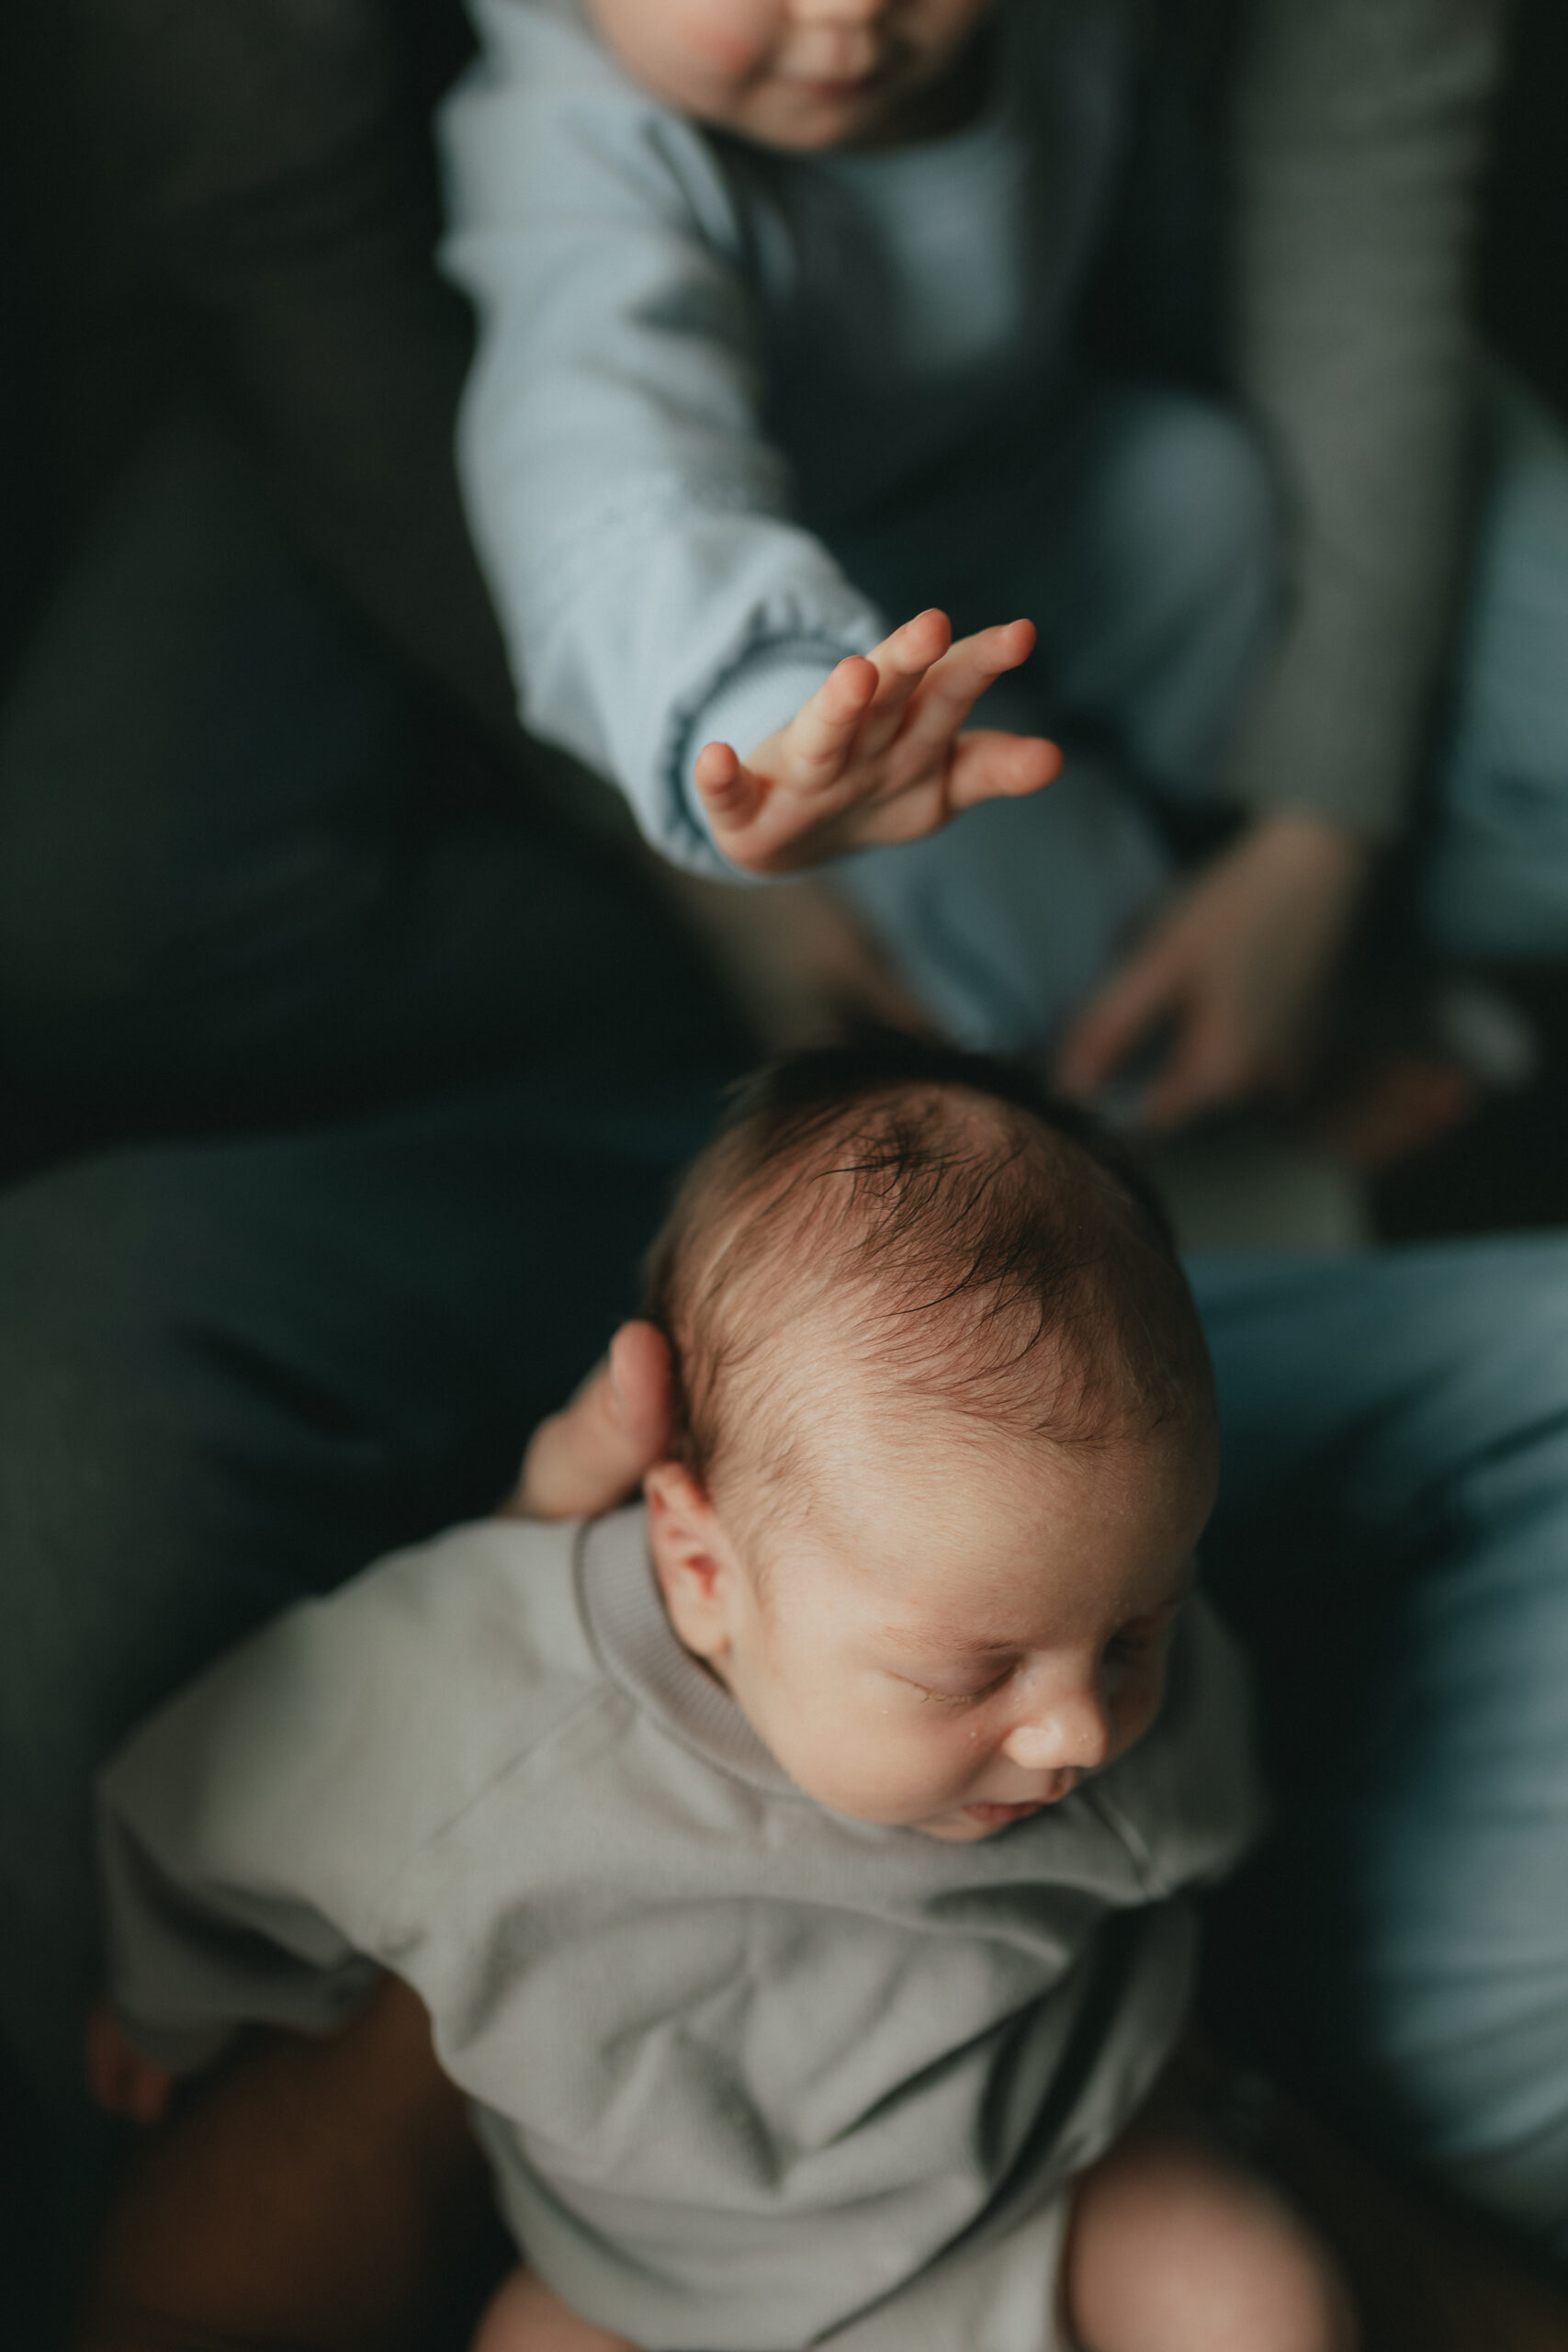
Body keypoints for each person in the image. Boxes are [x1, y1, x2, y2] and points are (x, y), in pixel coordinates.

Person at [88, 1039, 1355, 2352]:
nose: (1077, 1731)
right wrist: (171, 1990)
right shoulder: (498, 1701)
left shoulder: (1079, 1658)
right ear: (701, 1569)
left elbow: (1214, 1798)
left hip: (1056, 2171)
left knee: (1258, 2303)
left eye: (1136, 1634)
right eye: (967, 1673)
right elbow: (240, 1778)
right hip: (656, 2283)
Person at [440, 0, 1568, 1127]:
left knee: (1201, 498)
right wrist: (760, 706)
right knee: (952, 889)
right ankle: (1176, 1101)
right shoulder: (577, 149)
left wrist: (1311, 841)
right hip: (810, 622)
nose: (851, 12)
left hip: (1027, 483)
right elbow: (605, 454)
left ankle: (1318, 953)